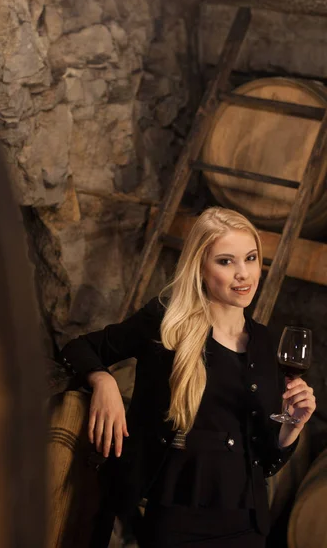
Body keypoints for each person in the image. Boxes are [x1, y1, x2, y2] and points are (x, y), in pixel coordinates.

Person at [59, 207, 316, 548]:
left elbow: (265, 462)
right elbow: (76, 349)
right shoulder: (165, 323)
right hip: (176, 523)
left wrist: (292, 427)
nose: (244, 274)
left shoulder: (264, 342)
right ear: (200, 268)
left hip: (247, 526)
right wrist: (102, 381)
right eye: (226, 261)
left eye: (250, 258)